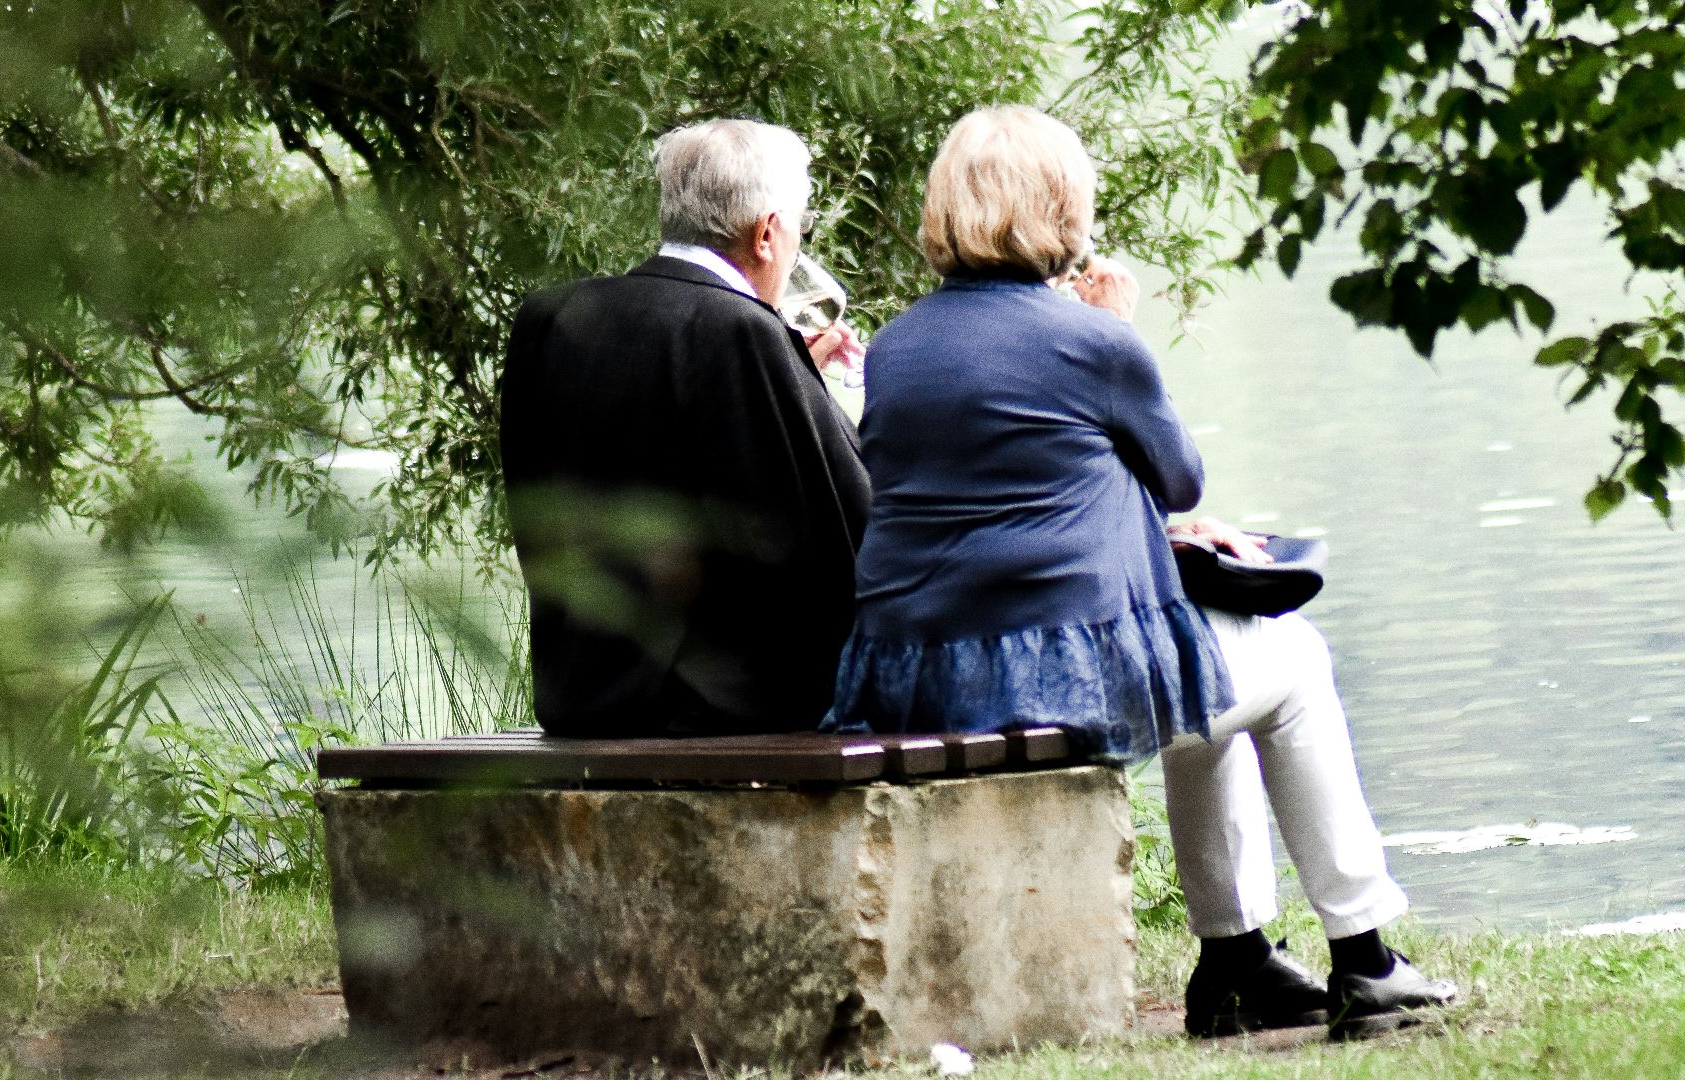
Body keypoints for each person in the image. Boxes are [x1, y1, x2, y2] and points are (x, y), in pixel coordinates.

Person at [823, 105, 1456, 1039]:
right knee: (1295, 661)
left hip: (916, 674)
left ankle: (1236, 960)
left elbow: (1010, 478)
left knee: (1214, 682)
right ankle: (1364, 955)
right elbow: (1179, 476)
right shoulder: (1092, 341)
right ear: (1060, 207)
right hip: (1051, 681)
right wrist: (1119, 330)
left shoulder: (899, 347)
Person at [499, 118, 870, 737]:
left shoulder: (550, 319)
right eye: (802, 227)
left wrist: (794, 370)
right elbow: (843, 530)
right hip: (722, 713)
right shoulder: (741, 332)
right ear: (768, 234)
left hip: (580, 698)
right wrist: (826, 397)